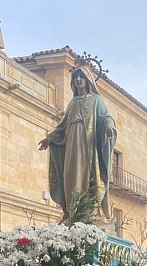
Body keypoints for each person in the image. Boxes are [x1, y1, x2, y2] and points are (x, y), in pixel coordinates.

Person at [39, 66, 116, 220]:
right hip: (71, 145)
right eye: (76, 77)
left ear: (88, 80)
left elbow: (106, 117)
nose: (79, 80)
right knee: (70, 174)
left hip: (87, 146)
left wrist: (109, 128)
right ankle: (70, 211)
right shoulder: (72, 103)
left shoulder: (96, 100)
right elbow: (63, 126)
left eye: (81, 77)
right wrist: (50, 138)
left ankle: (87, 210)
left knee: (85, 173)